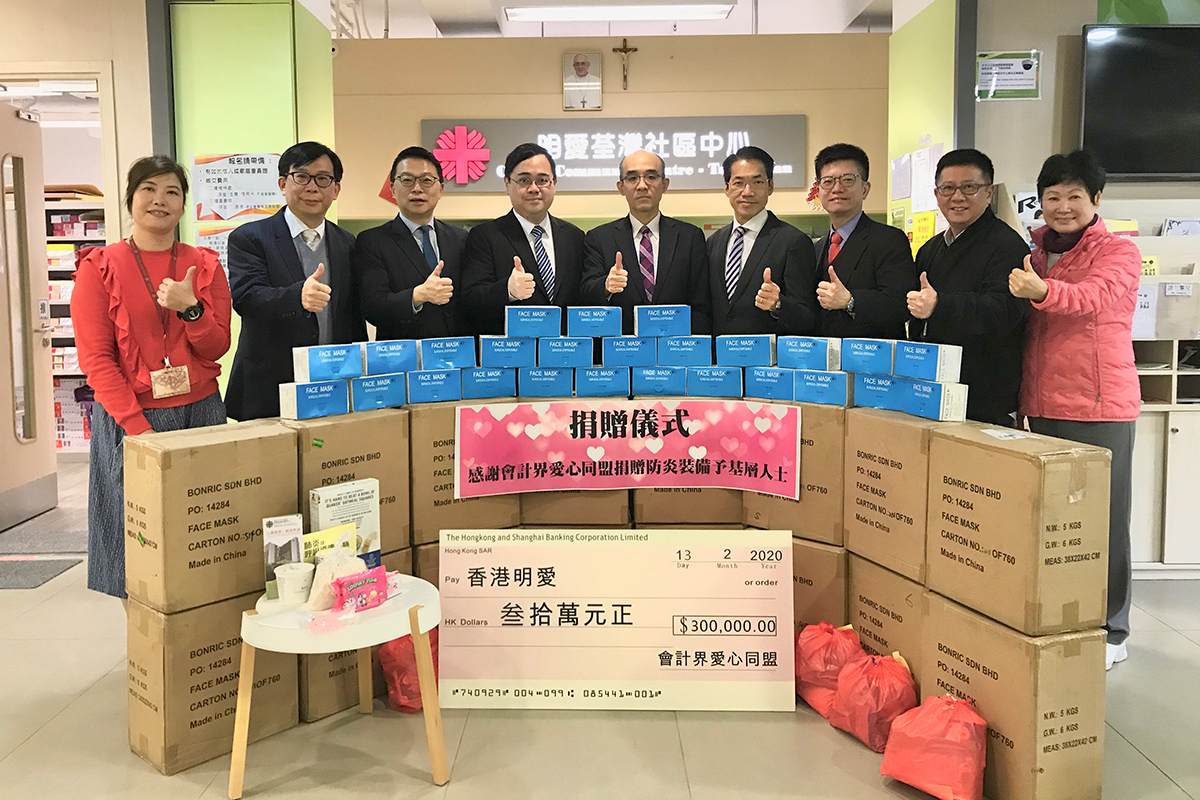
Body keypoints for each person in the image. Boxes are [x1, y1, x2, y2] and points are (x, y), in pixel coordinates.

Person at [72, 156, 231, 599]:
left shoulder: (205, 265)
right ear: (130, 198)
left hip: (201, 411)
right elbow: (97, 359)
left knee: (205, 529)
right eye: (148, 189)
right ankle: (148, 645)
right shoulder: (99, 267)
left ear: (183, 205)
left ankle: (201, 629)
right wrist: (139, 431)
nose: (160, 200)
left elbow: (217, 345)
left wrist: (190, 309)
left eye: (172, 192)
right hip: (132, 419)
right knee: (135, 540)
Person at [1009, 149, 1140, 671]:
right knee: (1056, 522)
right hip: (1042, 403)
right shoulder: (1034, 250)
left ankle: (1114, 628)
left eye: (1074, 197)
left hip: (1100, 404)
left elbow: (1093, 298)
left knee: (1106, 521)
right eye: (1052, 197)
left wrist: (1041, 290)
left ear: (1096, 200)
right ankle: (1067, 616)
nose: (1062, 207)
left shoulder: (1119, 252)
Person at [225, 141, 365, 419]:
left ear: (335, 190)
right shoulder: (250, 238)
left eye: (323, 179)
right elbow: (246, 298)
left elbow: (352, 315)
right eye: (301, 176)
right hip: (269, 386)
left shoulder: (347, 243)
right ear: (282, 183)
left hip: (333, 384)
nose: (312, 187)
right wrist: (296, 296)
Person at [907, 148, 1029, 425]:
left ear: (989, 193)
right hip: (933, 389)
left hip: (985, 397)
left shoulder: (1008, 247)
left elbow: (1004, 310)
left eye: (969, 187)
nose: (957, 197)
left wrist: (940, 305)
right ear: (936, 195)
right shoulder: (930, 249)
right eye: (948, 188)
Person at [580, 149, 712, 334]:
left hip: (676, 350)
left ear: (664, 184)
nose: (642, 185)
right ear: (621, 187)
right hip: (621, 351)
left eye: (651, 177)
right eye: (632, 178)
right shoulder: (599, 238)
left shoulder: (690, 237)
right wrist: (606, 286)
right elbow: (584, 294)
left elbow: (701, 304)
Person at [461, 142, 585, 335]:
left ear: (554, 184)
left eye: (543, 180)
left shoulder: (574, 237)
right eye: (524, 180)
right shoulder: (484, 236)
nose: (534, 188)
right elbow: (470, 299)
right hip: (511, 355)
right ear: (507, 184)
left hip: (565, 355)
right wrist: (507, 290)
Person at [355, 146, 467, 340]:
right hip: (403, 359)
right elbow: (372, 306)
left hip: (456, 356)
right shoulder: (372, 241)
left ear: (440, 189)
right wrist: (417, 296)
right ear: (392, 189)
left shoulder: (461, 238)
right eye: (407, 180)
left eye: (426, 180)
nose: (417, 188)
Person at [705, 146, 818, 336]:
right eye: (738, 183)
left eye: (757, 182)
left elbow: (807, 316)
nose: (747, 192)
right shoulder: (713, 242)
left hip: (768, 362)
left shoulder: (793, 242)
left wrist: (779, 305)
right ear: (726, 188)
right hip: (721, 361)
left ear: (770, 186)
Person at [812, 143, 915, 339]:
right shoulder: (816, 248)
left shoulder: (889, 240)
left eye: (848, 180)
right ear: (818, 190)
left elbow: (901, 304)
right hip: (824, 364)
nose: (837, 188)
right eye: (828, 181)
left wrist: (851, 301)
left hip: (872, 362)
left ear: (865, 189)